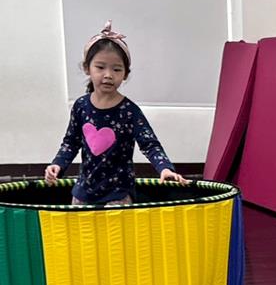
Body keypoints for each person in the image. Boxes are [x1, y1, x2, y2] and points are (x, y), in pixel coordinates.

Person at [45, 21, 188, 205]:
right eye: (100, 67)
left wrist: (165, 168)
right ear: (87, 68)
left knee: (115, 225)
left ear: (125, 74)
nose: (108, 75)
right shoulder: (81, 106)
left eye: (116, 69)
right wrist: (58, 165)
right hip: (84, 193)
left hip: (118, 194)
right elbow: (71, 142)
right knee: (80, 225)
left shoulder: (129, 111)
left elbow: (149, 144)